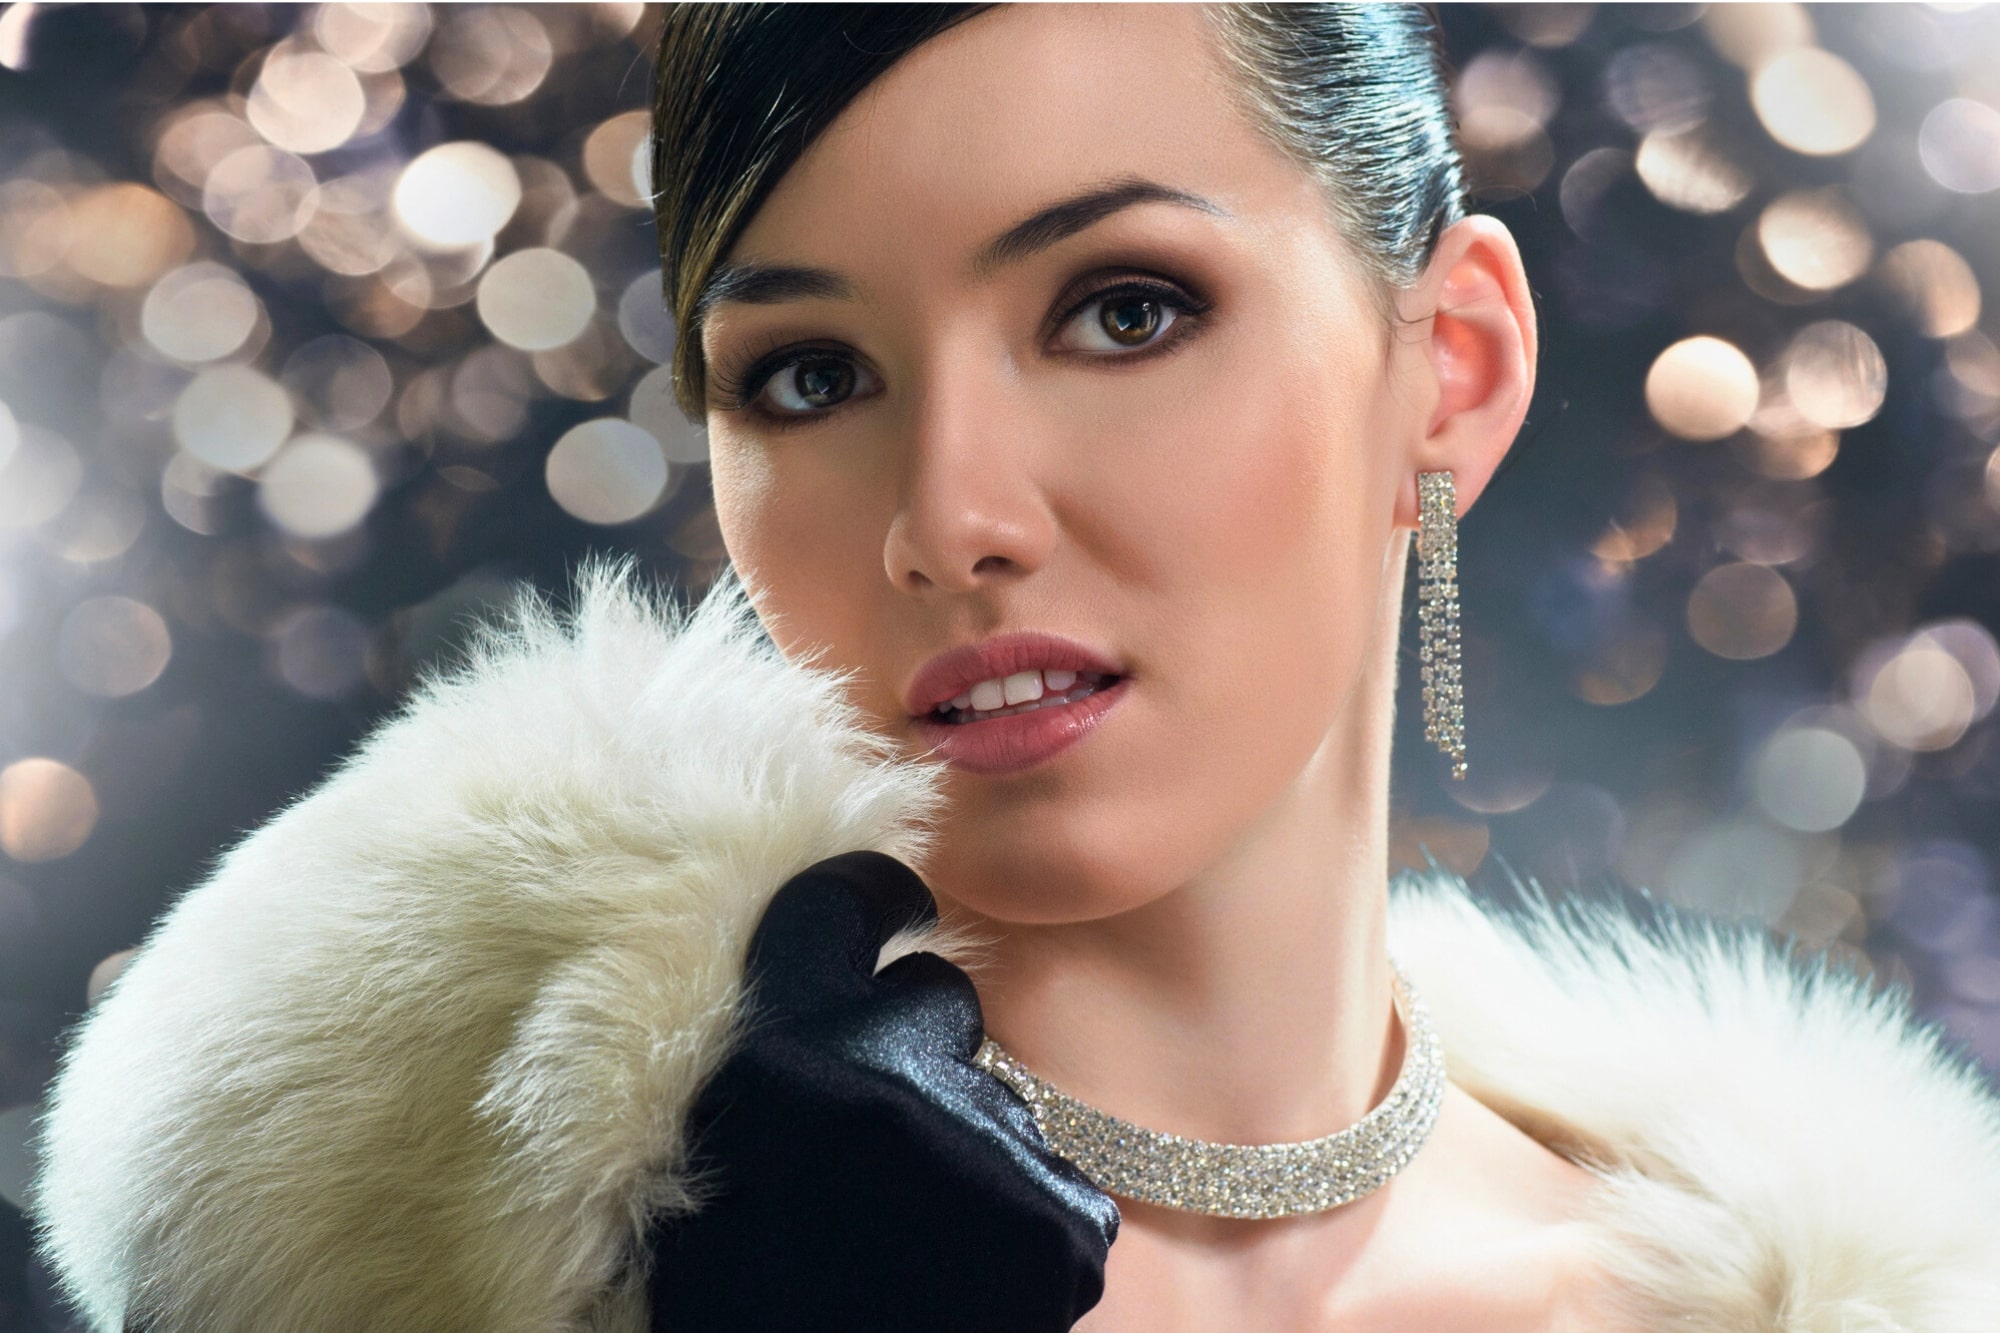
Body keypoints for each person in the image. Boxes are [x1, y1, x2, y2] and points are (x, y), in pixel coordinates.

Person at [30, 5, 2000, 1331]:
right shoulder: (425, 1264)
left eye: (1122, 308)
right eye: (806, 375)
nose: (949, 512)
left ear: (1448, 369)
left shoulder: (1837, 1293)